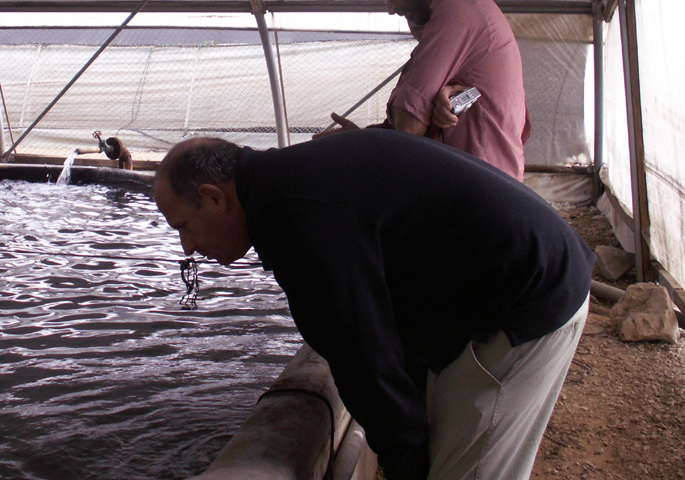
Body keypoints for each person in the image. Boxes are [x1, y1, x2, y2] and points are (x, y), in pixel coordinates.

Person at [153, 130, 594, 480]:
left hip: (524, 299)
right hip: (516, 277)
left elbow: (362, 353)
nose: (188, 246)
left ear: (214, 197)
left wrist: (405, 459)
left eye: (184, 226)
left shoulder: (296, 218)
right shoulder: (289, 181)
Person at [321, 0, 531, 180]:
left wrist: (417, 113)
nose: (390, 8)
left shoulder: (458, 11)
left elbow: (409, 127)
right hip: (482, 187)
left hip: (478, 193)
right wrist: (360, 137)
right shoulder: (471, 6)